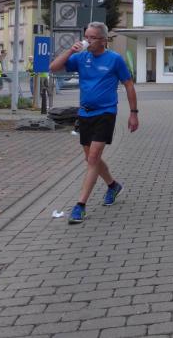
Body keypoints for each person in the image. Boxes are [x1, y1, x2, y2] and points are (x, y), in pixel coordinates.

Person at [50, 22, 138, 224]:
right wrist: (69, 51)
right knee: (90, 159)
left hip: (106, 113)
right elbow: (54, 68)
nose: (87, 41)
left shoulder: (114, 59)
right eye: (86, 36)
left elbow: (128, 85)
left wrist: (134, 113)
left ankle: (80, 206)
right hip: (85, 113)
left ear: (103, 40)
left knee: (93, 158)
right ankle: (113, 185)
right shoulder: (81, 57)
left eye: (92, 37)